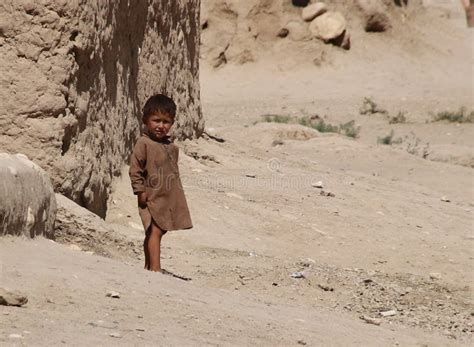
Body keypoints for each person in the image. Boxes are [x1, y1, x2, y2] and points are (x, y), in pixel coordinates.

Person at [129, 94, 193, 272]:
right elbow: (135, 170)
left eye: (166, 122)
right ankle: (155, 270)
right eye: (156, 120)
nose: (161, 126)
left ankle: (149, 266)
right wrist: (140, 192)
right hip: (151, 197)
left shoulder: (171, 147)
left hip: (167, 198)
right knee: (155, 230)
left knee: (156, 231)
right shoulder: (144, 144)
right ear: (145, 120)